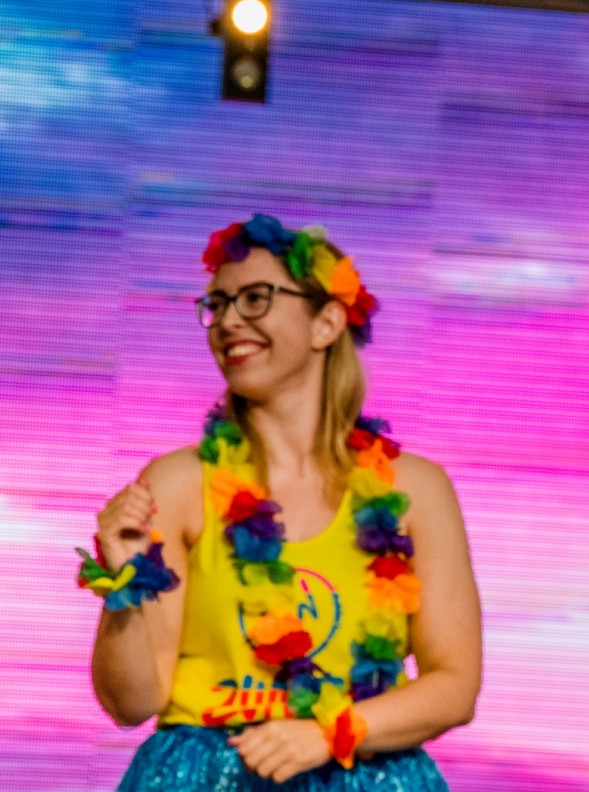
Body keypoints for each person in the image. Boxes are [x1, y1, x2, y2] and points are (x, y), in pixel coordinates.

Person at [81, 214, 481, 790]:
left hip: (365, 772)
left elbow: (455, 686)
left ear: (326, 322)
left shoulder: (415, 489)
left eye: (255, 298)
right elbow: (131, 704)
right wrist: (123, 588)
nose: (228, 321)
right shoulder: (178, 484)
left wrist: (329, 733)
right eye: (217, 304)